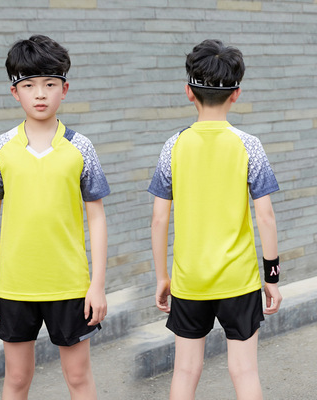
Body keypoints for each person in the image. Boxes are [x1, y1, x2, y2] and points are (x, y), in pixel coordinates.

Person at [0, 35, 110, 400]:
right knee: (17, 379)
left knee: (78, 378)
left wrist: (97, 285)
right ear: (14, 92)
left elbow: (97, 218)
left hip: (70, 286)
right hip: (14, 287)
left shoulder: (81, 147)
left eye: (50, 84)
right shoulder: (0, 147)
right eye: (29, 85)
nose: (40, 94)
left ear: (64, 89)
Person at [148, 39, 282, 400]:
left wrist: (162, 277)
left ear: (188, 92)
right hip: (239, 280)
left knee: (185, 371)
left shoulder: (173, 146)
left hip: (189, 281)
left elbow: (159, 219)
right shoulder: (249, 145)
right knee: (245, 371)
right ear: (236, 94)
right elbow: (266, 216)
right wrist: (272, 277)